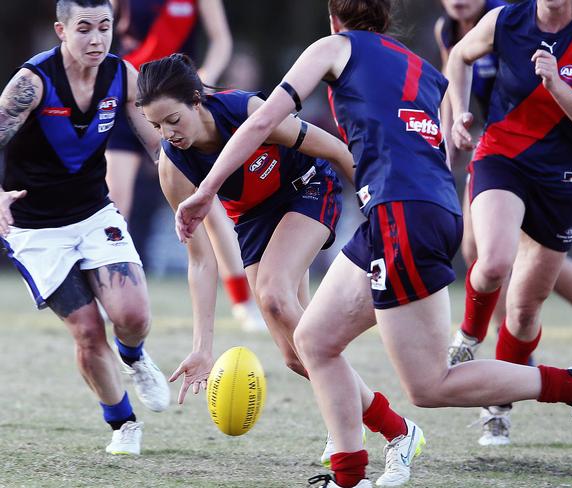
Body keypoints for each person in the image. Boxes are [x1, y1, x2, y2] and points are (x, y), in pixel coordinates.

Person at [173, 1, 572, 486]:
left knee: (428, 385)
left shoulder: (333, 47)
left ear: (334, 19)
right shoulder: (418, 65)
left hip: (400, 213)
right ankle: (348, 474)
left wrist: (205, 191)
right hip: (424, 209)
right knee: (314, 340)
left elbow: (260, 123)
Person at [136, 53, 425, 481]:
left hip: (307, 187)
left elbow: (334, 148)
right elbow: (203, 260)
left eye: (173, 119)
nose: (167, 134)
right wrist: (202, 345)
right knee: (297, 354)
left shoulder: (246, 112)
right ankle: (391, 427)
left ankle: (389, 436)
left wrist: (377, 211)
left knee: (273, 294)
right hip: (253, 220)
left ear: (196, 100)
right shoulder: (173, 167)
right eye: (156, 126)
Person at [436, 0, 572, 445]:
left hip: (563, 179)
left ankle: (497, 406)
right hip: (501, 157)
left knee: (524, 310)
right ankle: (468, 335)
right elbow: (458, 57)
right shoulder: (505, 19)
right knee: (492, 262)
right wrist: (459, 114)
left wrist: (557, 84)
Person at [0, 0, 170, 455]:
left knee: (133, 316)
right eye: (84, 29)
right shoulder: (31, 83)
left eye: (104, 28)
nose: (96, 40)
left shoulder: (123, 75)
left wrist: (199, 186)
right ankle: (123, 423)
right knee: (88, 331)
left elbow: (158, 146)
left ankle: (134, 357)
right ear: (61, 30)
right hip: (35, 228)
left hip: (95, 212)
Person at [107, 0, 265, 331]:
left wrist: (204, 75)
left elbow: (222, 40)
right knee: (115, 204)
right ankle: (111, 296)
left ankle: (243, 303)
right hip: (129, 103)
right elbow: (102, 29)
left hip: (178, 109)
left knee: (208, 208)